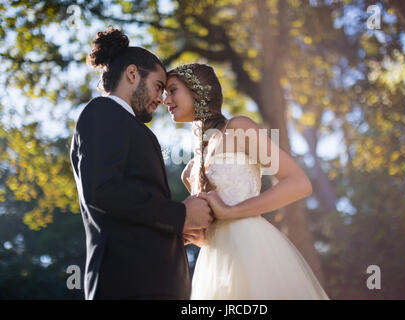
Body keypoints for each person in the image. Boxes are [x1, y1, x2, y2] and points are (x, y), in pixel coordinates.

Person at [164, 63, 330, 299]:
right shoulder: (191, 169)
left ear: (196, 90)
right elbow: (214, 231)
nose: (165, 99)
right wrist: (201, 238)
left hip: (255, 251)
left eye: (172, 90)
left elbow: (299, 183)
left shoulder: (238, 128)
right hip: (217, 265)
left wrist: (231, 211)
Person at [69, 27, 212, 300]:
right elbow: (104, 189)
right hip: (127, 284)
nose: (162, 98)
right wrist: (179, 215)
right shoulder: (103, 111)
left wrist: (176, 229)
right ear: (132, 74)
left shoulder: (130, 126)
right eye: (159, 86)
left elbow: (137, 203)